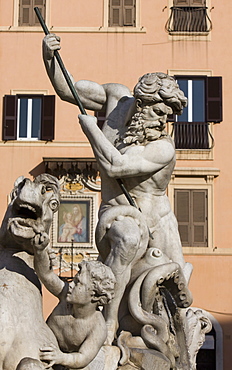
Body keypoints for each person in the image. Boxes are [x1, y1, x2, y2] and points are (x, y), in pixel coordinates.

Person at [42, 34, 192, 342]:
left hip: (159, 221)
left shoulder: (162, 146)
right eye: (159, 113)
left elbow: (116, 166)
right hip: (118, 212)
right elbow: (65, 86)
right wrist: (48, 57)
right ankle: (107, 323)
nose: (163, 122)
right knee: (127, 237)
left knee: (177, 302)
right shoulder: (115, 100)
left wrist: (91, 130)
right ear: (141, 103)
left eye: (168, 116)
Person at [33, 237, 116, 369]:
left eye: (78, 283)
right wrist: (39, 251)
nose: (70, 284)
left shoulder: (98, 328)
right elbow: (46, 275)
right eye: (74, 280)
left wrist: (61, 357)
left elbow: (82, 357)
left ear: (94, 296)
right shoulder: (65, 293)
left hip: (71, 363)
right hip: (46, 350)